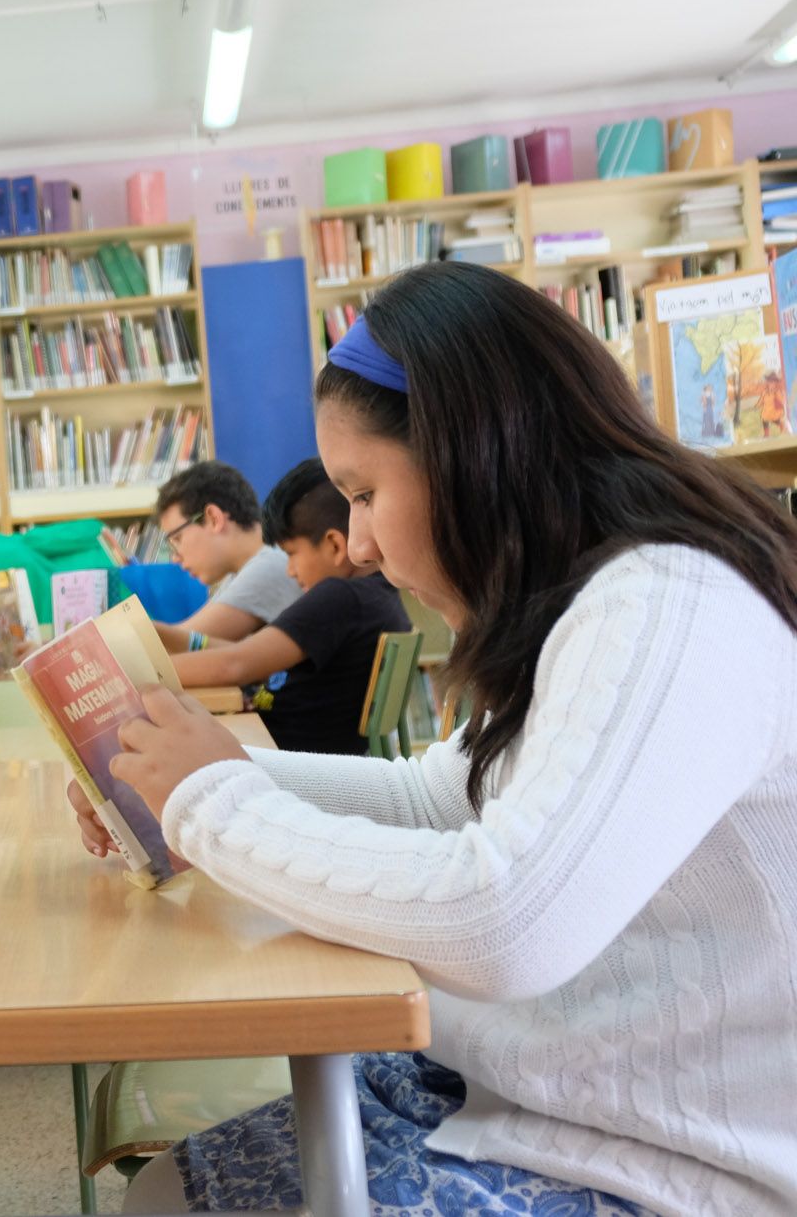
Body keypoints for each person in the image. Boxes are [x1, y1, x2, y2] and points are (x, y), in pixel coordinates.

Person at [72, 262, 796, 1215]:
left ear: (473, 451)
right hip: (551, 1093)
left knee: (174, 1202)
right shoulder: (584, 596)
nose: (359, 543)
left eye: (365, 493)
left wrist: (209, 801)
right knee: (168, 1192)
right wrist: (204, 770)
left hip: (679, 1162)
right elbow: (434, 797)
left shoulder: (666, 602)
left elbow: (507, 922)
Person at [169, 458, 410, 754]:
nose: (290, 571)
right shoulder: (378, 595)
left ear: (334, 545)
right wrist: (165, 637)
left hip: (285, 760)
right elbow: (248, 655)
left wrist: (135, 673)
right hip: (307, 754)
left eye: (291, 553)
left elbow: (234, 664)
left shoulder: (339, 598)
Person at [147, 461, 302, 652]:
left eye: (177, 539)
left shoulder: (269, 566)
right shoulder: (239, 572)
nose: (175, 558)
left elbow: (174, 646)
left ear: (213, 518)